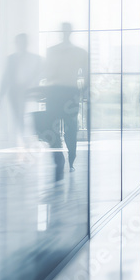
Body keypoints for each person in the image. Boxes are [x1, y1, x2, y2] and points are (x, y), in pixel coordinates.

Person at [43, 23, 89, 179]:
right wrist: (84, 94)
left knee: (58, 129)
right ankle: (69, 161)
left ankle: (64, 160)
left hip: (57, 93)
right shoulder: (79, 52)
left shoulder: (52, 51)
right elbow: (87, 76)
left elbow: (47, 74)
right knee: (70, 129)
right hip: (68, 93)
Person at [0, 33, 42, 144]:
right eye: (19, 42)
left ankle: (28, 135)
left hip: (29, 90)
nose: (21, 44)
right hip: (14, 90)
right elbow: (7, 76)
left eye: (23, 42)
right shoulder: (11, 58)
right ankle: (22, 136)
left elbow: (39, 73)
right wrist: (1, 92)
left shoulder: (35, 58)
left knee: (27, 114)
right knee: (18, 114)